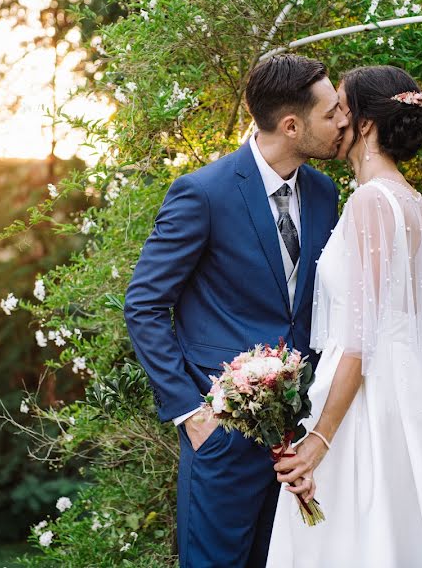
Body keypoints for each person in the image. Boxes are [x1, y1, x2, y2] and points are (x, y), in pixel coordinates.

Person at [266, 65, 422, 568]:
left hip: (366, 407)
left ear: (367, 124)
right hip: (409, 399)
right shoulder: (419, 208)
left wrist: (319, 440)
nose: (333, 121)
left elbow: (362, 339)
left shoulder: (371, 204)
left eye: (340, 109)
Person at [124, 54, 346, 567]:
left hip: (299, 440)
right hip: (223, 434)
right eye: (331, 112)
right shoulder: (203, 193)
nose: (342, 121)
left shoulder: (323, 191)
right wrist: (191, 413)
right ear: (292, 126)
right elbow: (145, 304)